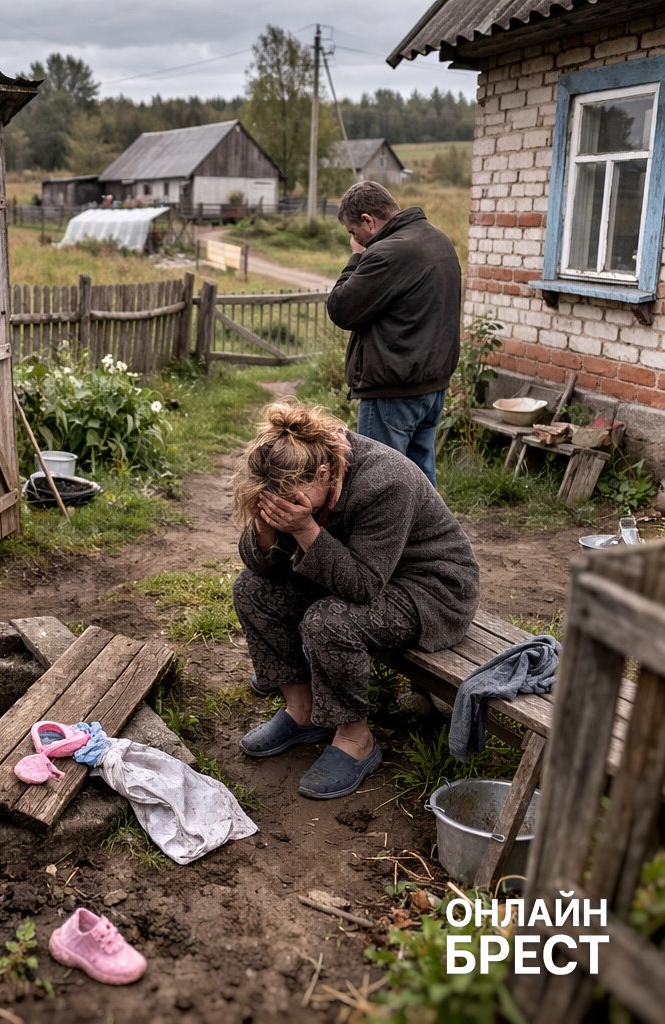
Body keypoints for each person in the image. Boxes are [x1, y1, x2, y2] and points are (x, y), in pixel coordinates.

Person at [231, 400, 480, 799]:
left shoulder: (386, 481)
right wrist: (265, 529)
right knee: (251, 591)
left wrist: (305, 528)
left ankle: (355, 739)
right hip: (360, 573)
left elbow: (363, 586)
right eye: (270, 499)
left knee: (328, 621)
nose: (281, 506)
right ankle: (304, 712)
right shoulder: (297, 471)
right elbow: (264, 570)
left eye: (288, 499)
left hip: (430, 589)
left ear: (325, 475)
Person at [326, 181, 461, 487]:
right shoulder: (438, 240)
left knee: (380, 481)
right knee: (421, 479)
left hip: (393, 391)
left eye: (352, 231)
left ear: (368, 221)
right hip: (431, 387)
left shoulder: (388, 252)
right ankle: (429, 536)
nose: (355, 238)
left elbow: (341, 309)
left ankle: (385, 536)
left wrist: (357, 257)